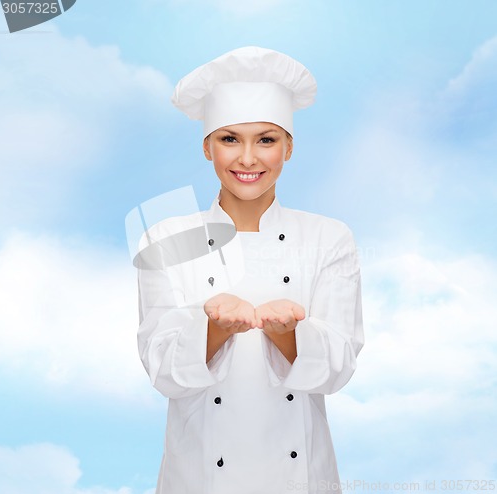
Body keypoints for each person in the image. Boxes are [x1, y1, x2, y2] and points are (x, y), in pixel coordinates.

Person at [136, 46, 364, 494]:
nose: (247, 159)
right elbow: (161, 369)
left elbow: (339, 368)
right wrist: (214, 329)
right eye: (229, 139)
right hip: (199, 479)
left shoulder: (329, 239)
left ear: (289, 147)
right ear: (206, 147)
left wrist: (287, 334)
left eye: (266, 139)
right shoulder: (164, 239)